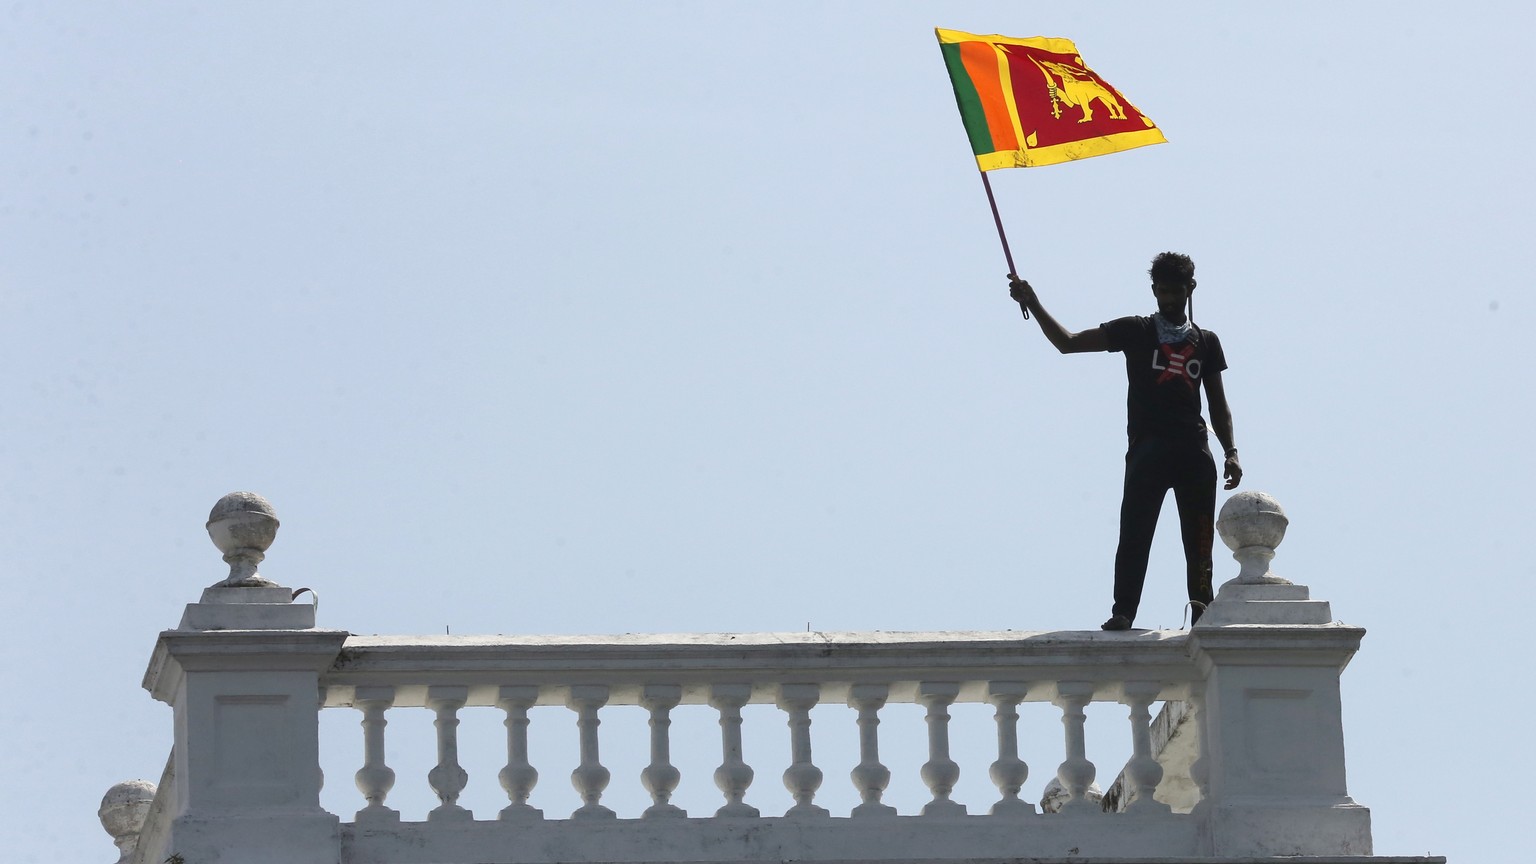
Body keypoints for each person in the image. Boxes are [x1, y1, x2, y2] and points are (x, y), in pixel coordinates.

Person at [1007, 252, 1241, 630]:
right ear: (1153, 291)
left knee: (1199, 541)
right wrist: (1032, 303)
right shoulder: (1136, 329)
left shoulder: (1207, 342)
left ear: (1190, 289)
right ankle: (1123, 612)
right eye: (1162, 291)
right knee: (1135, 534)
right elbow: (1069, 342)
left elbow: (1218, 403)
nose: (1168, 299)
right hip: (1149, 450)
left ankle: (1202, 610)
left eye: (1176, 291)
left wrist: (1231, 452)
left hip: (1195, 453)